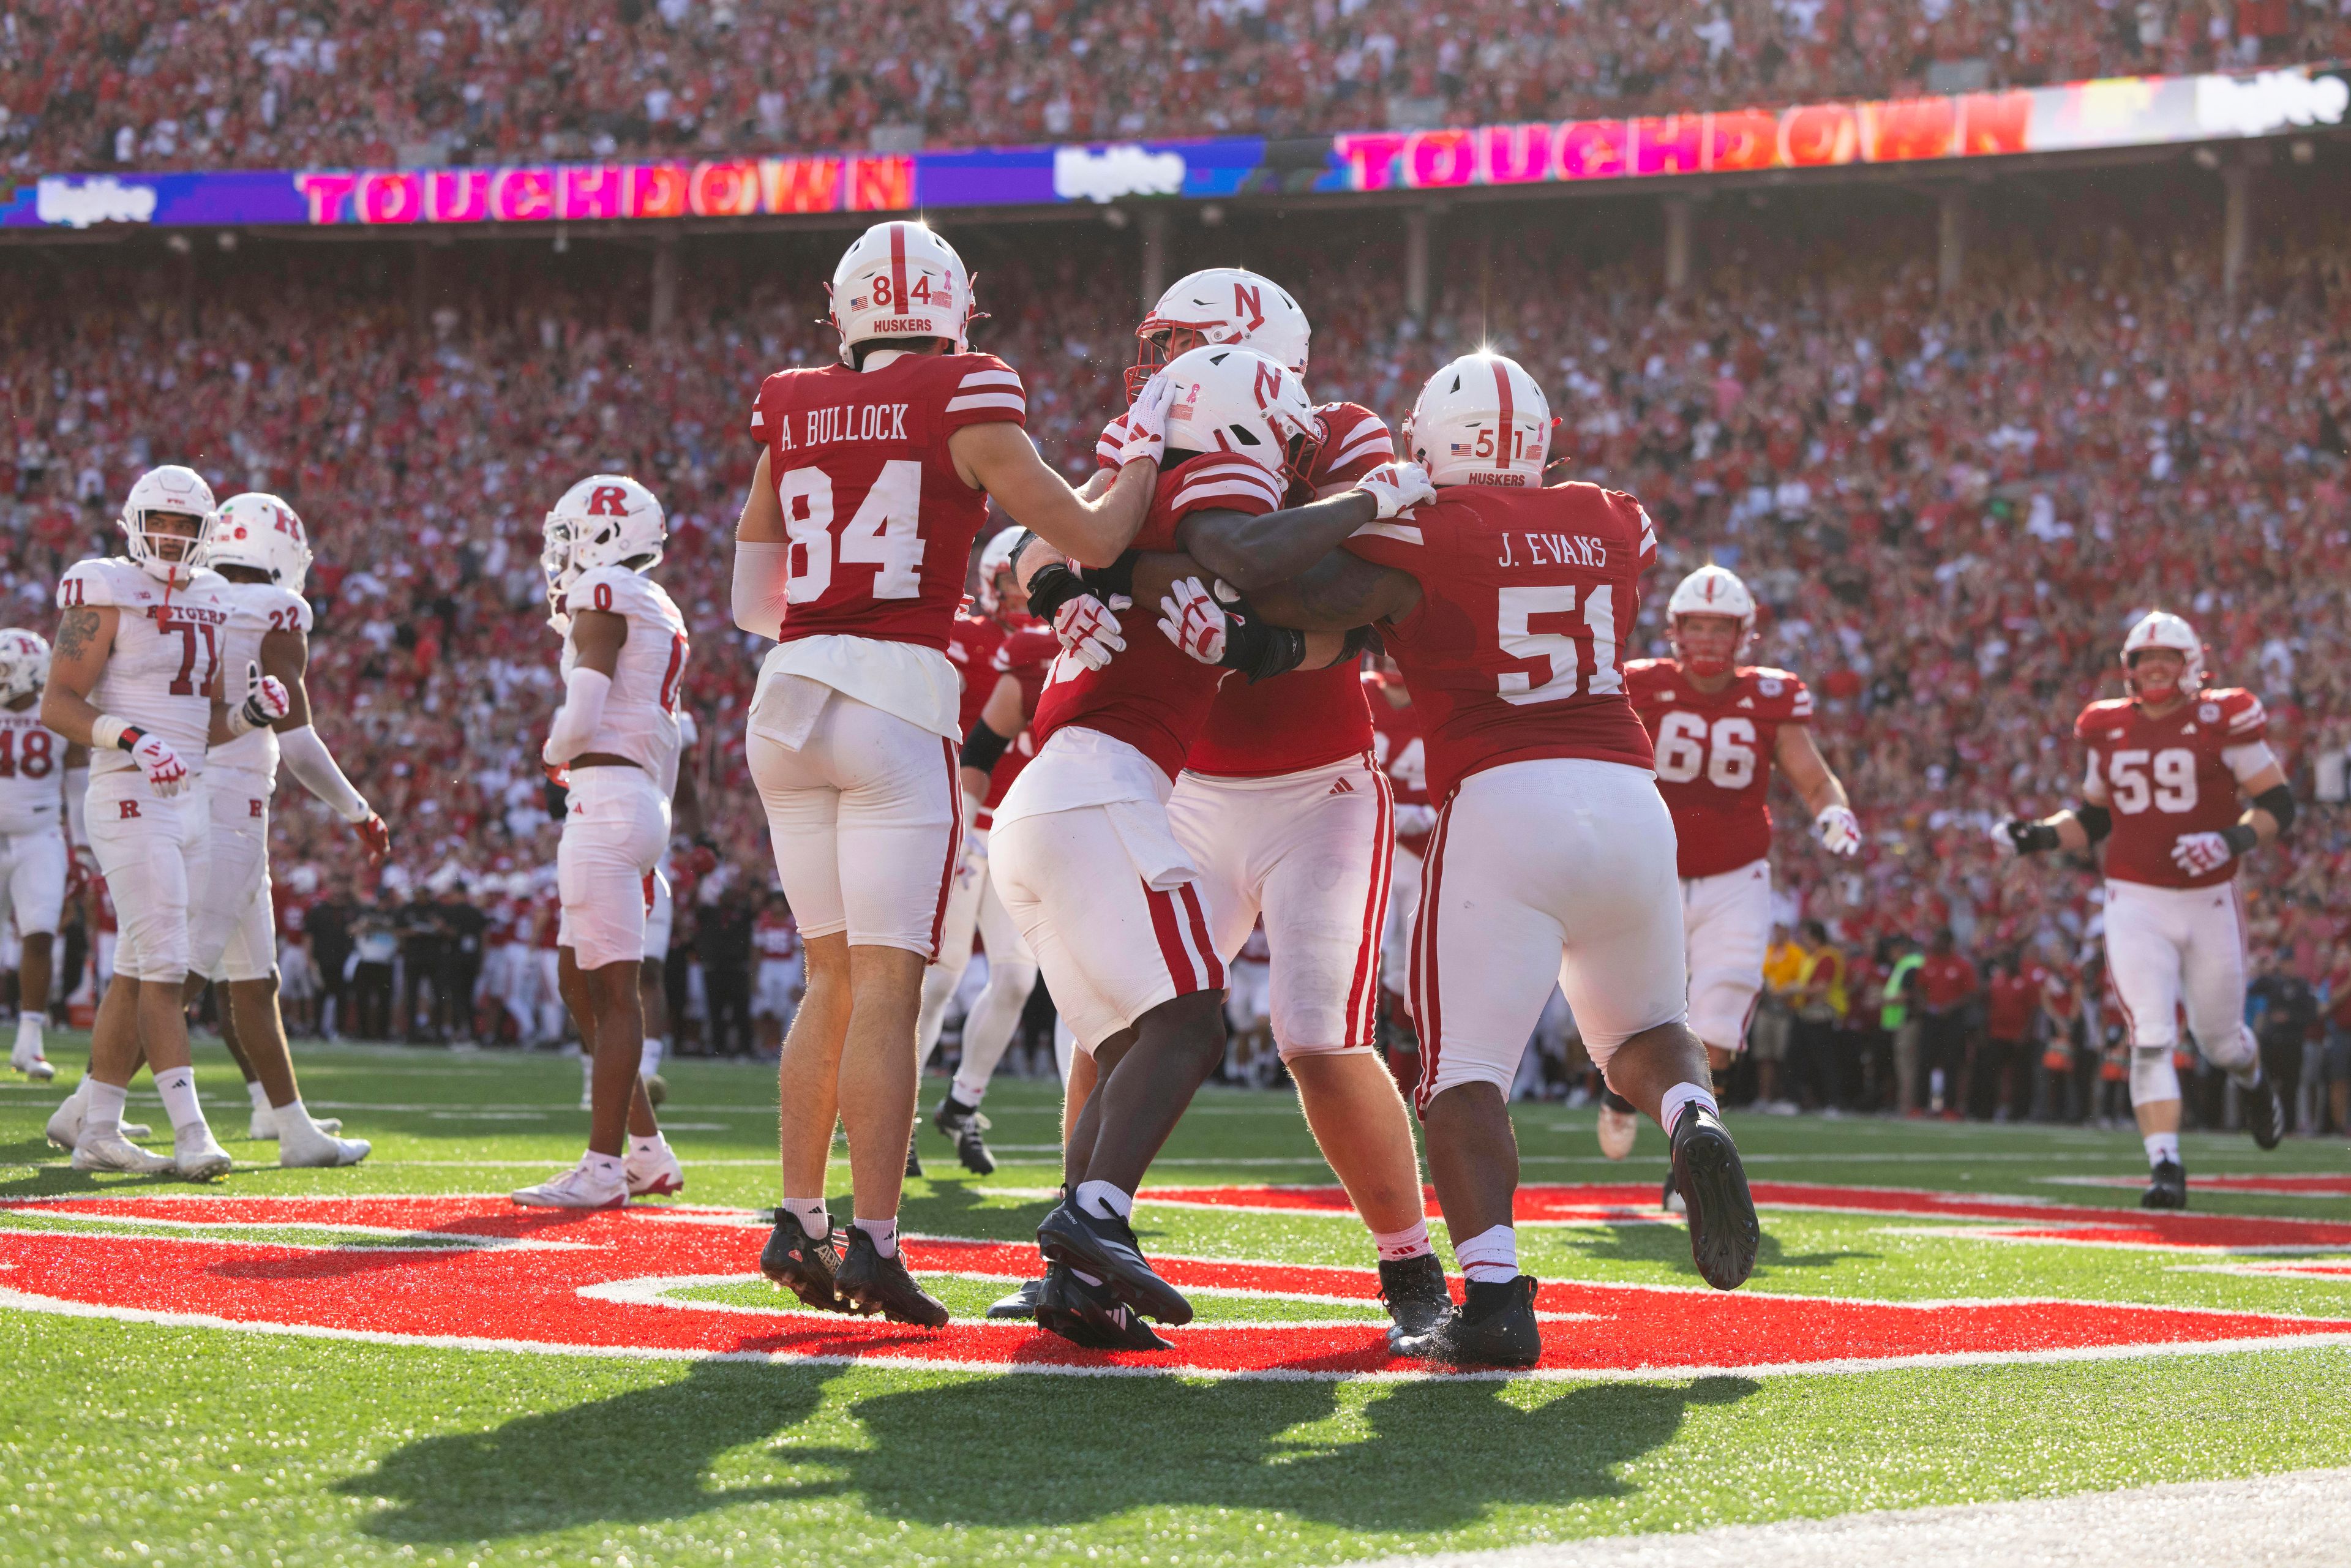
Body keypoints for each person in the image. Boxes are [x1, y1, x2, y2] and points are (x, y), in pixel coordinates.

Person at [1224, 351, 1763, 1364]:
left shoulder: (1422, 525)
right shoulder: (1613, 516)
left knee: (1462, 1076)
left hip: (1507, 800)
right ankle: (1691, 1115)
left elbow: (1305, 590)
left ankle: (1496, 1298)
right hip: (1631, 800)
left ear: (1431, 440)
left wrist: (1342, 521)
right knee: (1646, 1028)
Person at [732, 219, 1166, 1327]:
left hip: (786, 697)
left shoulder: (790, 401)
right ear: (952, 306)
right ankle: (872, 1241)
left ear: (843, 311)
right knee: (887, 987)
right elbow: (1093, 536)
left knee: (827, 979)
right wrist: (1146, 465)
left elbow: (748, 600)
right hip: (892, 699)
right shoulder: (968, 391)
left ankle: (798, 1217)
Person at [991, 340, 1415, 1348]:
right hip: (1131, 791)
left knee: (1232, 1034)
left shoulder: (1320, 439)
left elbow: (1359, 602)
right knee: (1167, 1026)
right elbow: (1054, 544)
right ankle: (1086, 1234)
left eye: (1179, 349)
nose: (1160, 366)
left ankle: (1405, 1268)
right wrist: (1106, 578)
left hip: (1233, 790)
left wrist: (1163, 592)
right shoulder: (1180, 469)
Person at [1994, 609, 2293, 1207]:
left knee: (2221, 1042)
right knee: (2150, 1033)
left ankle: (2255, 1082)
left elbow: (2278, 804)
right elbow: (2095, 817)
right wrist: (2039, 836)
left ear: (2192, 666)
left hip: (2210, 898)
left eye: (2167, 659)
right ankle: (2165, 1164)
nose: (2155, 669)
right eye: (2144, 660)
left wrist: (2230, 839)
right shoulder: (2106, 726)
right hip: (2135, 897)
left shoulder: (2222, 716)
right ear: (2128, 669)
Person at [38, 465, 260, 1177]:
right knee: (166, 966)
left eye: (184, 525)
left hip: (186, 793)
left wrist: (251, 716)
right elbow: (60, 701)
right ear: (134, 523)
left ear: (205, 534)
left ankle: (98, 1126)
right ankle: (192, 1132)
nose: (169, 535)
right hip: (128, 793)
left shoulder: (219, 598)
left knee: (138, 968)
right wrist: (131, 737)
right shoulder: (105, 584)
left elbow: (204, 729)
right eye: (159, 521)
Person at [1608, 565, 1860, 1155]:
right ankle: (1621, 1090)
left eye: (1720, 629)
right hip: (1653, 868)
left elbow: (1814, 778)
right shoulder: (1639, 683)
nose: (1707, 640)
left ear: (1744, 634)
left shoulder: (1771, 694)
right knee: (1633, 1008)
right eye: (1696, 626)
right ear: (1675, 629)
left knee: (1722, 1010)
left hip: (1736, 874)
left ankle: (1692, 1156)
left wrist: (1833, 812)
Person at [180, 492, 380, 1165]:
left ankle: (288, 1122)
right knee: (179, 975)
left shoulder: (193, 596)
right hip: (229, 801)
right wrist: (359, 810)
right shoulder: (277, 608)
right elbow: (298, 743)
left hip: (197, 787)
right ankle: (94, 1103)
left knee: (255, 977)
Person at [509, 474, 688, 1209]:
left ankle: (604, 1166)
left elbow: (582, 715)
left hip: (608, 796)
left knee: (612, 991)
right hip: (631, 797)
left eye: (569, 535)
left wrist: (554, 749)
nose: (560, 555)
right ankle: (647, 1151)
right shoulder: (655, 601)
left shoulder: (607, 593)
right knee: (575, 979)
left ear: (604, 535)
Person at [919, 527, 1055, 1176]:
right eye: (1014, 579)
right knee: (938, 977)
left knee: (1016, 978)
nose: (1026, 593)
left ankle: (962, 1102)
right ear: (992, 579)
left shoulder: (1064, 639)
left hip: (1021, 827)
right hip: (966, 820)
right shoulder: (962, 638)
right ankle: (900, 1116)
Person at [0, 629, 87, 1082]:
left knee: (39, 935)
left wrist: (85, 848)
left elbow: (78, 786)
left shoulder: (55, 712)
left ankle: (29, 1042)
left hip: (39, 833)